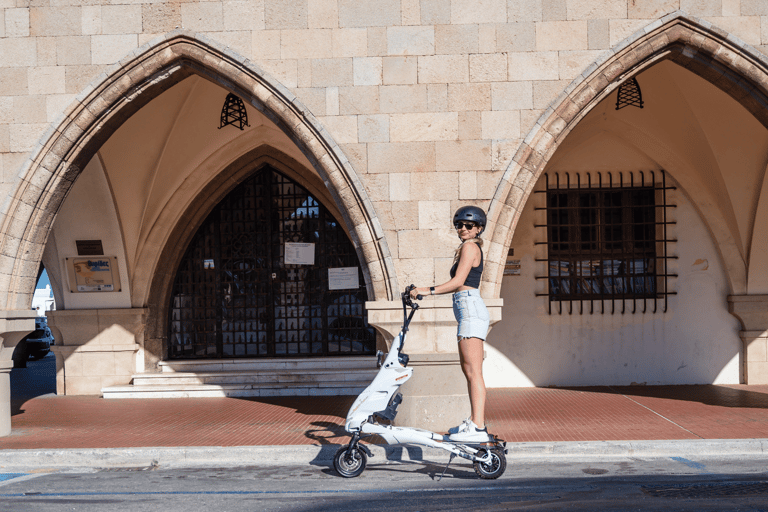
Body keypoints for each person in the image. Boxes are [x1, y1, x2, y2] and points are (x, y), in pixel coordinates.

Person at [410, 206, 491, 443]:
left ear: (478, 229)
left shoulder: (470, 246)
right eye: (459, 225)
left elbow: (458, 282)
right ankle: (475, 422)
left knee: (474, 371)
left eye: (468, 226)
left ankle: (477, 426)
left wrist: (426, 291)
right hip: (467, 308)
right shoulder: (468, 247)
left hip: (470, 308)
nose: (463, 229)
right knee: (469, 370)